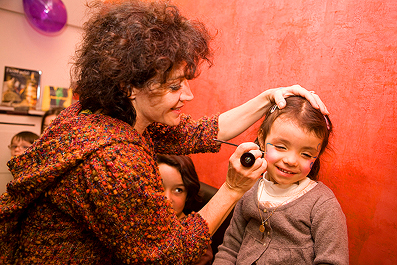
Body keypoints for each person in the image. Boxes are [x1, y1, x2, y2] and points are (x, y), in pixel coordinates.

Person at [0, 0, 328, 264]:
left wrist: (269, 96)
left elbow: (203, 131)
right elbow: (166, 256)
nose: (188, 95)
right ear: (130, 86)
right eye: (174, 86)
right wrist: (231, 189)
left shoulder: (97, 115)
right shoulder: (114, 158)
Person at [213, 96, 348, 265]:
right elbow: (229, 250)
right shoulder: (248, 189)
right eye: (281, 147)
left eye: (306, 154)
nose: (291, 160)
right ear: (262, 139)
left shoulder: (323, 205)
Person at [157, 154, 213, 264]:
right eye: (159, 186)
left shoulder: (196, 240)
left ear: (187, 195)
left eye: (178, 190)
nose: (167, 198)